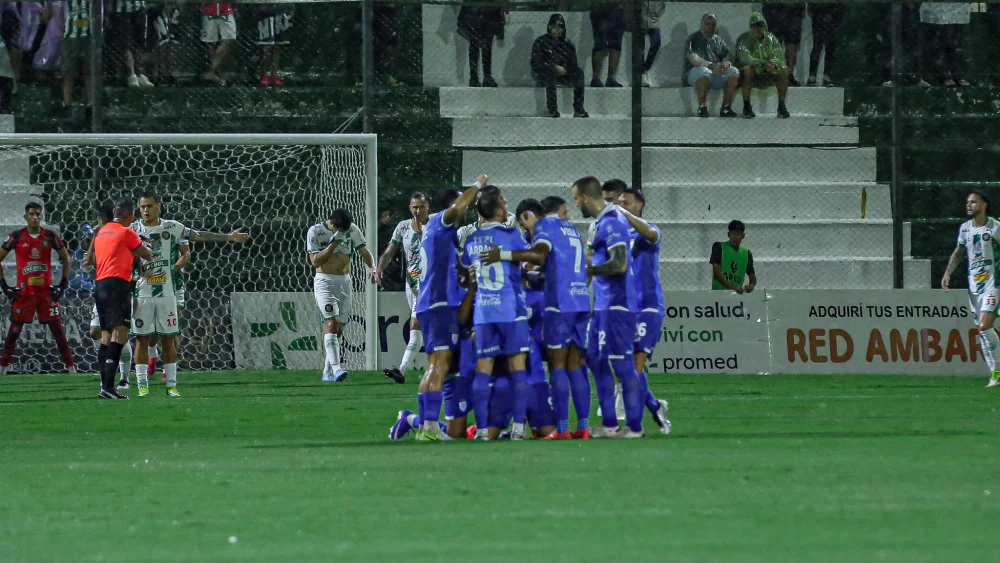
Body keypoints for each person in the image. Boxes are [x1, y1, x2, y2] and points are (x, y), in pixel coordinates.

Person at [486, 196, 592, 439]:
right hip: (581, 301)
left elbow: (539, 254)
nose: (526, 230)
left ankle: (562, 429)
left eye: (524, 224)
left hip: (559, 304)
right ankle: (583, 427)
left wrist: (502, 255)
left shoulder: (544, 227)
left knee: (556, 365)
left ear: (527, 216)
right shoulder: (571, 229)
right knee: (576, 365)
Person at [131, 192, 249, 397]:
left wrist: (228, 237)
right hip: (142, 293)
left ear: (159, 206)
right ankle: (142, 385)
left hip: (167, 293)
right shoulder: (133, 230)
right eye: (142, 207)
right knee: (142, 339)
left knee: (169, 339)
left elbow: (198, 235)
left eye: (149, 206)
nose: (145, 210)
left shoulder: (172, 227)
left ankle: (172, 385)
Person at [412, 175, 485, 441]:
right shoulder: (439, 223)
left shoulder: (443, 237)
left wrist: (463, 271)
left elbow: (447, 266)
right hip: (439, 305)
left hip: (431, 304)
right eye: (460, 204)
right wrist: (478, 185)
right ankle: (430, 427)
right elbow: (458, 206)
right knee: (440, 365)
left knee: (434, 364)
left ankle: (425, 426)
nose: (465, 209)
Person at [462, 186, 536, 441]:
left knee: (483, 369)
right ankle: (518, 428)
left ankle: (482, 430)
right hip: (511, 310)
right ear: (499, 210)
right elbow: (530, 260)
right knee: (518, 369)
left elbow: (465, 272)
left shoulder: (471, 240)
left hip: (484, 312)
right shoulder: (511, 235)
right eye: (503, 202)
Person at [572, 176, 644, 438]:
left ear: (585, 198)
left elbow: (619, 264)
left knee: (622, 365)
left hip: (618, 304)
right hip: (602, 305)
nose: (576, 204)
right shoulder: (598, 224)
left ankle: (634, 427)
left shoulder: (613, 221)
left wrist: (589, 269)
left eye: (576, 198)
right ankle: (610, 424)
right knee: (595, 359)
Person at [617, 188, 671, 434]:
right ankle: (654, 406)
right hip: (625, 307)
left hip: (648, 305)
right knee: (625, 368)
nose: (622, 207)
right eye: (620, 203)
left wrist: (624, 215)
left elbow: (649, 234)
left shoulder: (650, 230)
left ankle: (634, 426)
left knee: (636, 366)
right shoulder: (617, 235)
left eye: (626, 203)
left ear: (640, 205)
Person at [0, 202, 76, 374]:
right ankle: (2, 371)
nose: (35, 217)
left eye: (38, 214)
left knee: (58, 331)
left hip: (45, 293)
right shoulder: (16, 236)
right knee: (13, 333)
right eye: (31, 214)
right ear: (25, 216)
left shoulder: (50, 236)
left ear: (42, 216)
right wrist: (4, 286)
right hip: (24, 293)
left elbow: (67, 259)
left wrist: (63, 284)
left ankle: (72, 370)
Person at [306, 207, 376, 383]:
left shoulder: (351, 229)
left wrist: (372, 267)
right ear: (331, 223)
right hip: (324, 282)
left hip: (345, 282)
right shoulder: (315, 231)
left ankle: (327, 371)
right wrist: (334, 243)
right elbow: (315, 262)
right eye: (340, 229)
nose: (344, 231)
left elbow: (364, 250)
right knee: (331, 322)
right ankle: (337, 369)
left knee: (339, 329)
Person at [92, 202, 152, 398]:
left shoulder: (102, 232)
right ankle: (109, 387)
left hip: (100, 285)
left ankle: (104, 386)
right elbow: (147, 254)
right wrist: (144, 247)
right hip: (118, 285)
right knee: (121, 334)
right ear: (131, 216)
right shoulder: (126, 232)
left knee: (106, 335)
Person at [941, 192, 1000, 387]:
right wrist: (947, 273)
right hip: (974, 286)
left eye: (973, 202)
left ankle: (998, 372)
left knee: (984, 327)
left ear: (984, 205)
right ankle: (995, 373)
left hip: (994, 284)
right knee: (982, 332)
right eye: (967, 202)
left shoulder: (995, 227)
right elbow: (958, 252)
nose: (969, 205)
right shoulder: (965, 228)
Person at [377, 192, 429, 384]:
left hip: (429, 284)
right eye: (415, 207)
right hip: (411, 284)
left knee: (416, 324)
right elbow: (390, 251)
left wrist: (421, 232)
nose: (418, 211)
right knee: (420, 327)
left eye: (421, 207)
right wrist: (379, 268)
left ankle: (402, 370)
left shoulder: (435, 225)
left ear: (428, 208)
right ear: (410, 208)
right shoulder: (402, 227)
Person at [86, 201, 136, 389]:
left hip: (115, 286)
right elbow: (91, 260)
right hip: (106, 287)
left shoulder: (122, 233)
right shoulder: (103, 236)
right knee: (102, 332)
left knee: (117, 332)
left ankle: (122, 378)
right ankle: (106, 381)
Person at [530, 13, 588, 119]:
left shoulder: (568, 44)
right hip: (543, 75)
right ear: (549, 27)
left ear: (563, 29)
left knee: (579, 73)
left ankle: (578, 109)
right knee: (551, 73)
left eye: (559, 28)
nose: (556, 31)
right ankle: (552, 108)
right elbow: (535, 63)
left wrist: (566, 70)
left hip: (562, 75)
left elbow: (573, 64)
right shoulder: (540, 41)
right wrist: (554, 66)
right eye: (554, 27)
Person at [735, 12, 790, 119]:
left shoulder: (771, 38)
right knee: (747, 69)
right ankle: (746, 106)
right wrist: (762, 63)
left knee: (783, 69)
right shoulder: (743, 39)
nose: (757, 28)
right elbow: (745, 58)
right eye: (754, 25)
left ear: (765, 27)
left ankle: (782, 106)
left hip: (767, 73)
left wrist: (773, 64)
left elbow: (779, 56)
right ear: (750, 27)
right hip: (749, 75)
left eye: (760, 25)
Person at [683, 13, 739, 118]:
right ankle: (702, 107)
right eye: (707, 24)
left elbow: (728, 55)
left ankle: (726, 108)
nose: (710, 27)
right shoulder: (692, 39)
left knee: (734, 71)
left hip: (715, 73)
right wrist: (711, 65)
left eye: (713, 25)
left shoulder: (718, 40)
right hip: (696, 73)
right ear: (702, 24)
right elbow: (693, 58)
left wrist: (726, 64)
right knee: (702, 71)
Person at [920, 2, 970, 87]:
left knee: (955, 42)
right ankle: (947, 75)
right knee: (944, 41)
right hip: (940, 9)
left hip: (958, 7)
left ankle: (957, 76)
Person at [457, 1, 504, 87]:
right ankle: (485, 77)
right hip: (485, 13)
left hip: (475, 13)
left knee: (475, 45)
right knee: (485, 46)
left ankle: (475, 77)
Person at [60, 0, 92, 117]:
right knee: (68, 73)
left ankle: (91, 105)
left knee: (89, 71)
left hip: (89, 35)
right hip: (70, 36)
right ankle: (67, 104)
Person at [110, 0, 153, 87]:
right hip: (123, 11)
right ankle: (131, 75)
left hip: (140, 9)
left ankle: (141, 74)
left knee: (140, 43)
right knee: (126, 43)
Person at [760, 2, 803, 87]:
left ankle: (788, 75)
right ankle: (774, 75)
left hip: (794, 9)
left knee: (792, 43)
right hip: (774, 8)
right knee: (773, 42)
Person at [710, 220, 756, 293]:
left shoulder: (747, 253)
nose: (735, 237)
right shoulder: (719, 247)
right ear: (728, 234)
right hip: (719, 294)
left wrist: (751, 285)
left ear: (743, 236)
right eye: (733, 233)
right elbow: (716, 273)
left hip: (736, 295)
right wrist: (732, 288)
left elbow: (752, 276)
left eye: (738, 234)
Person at [254, 3, 293, 87]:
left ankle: (274, 75)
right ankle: (265, 75)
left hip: (279, 22)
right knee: (266, 48)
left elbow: (290, 6)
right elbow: (261, 9)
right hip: (265, 22)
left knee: (277, 48)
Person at [806, 3, 844, 87]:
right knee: (820, 48)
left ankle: (822, 75)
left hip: (829, 17)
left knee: (828, 48)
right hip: (821, 16)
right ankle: (816, 75)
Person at [201, 2, 235, 85]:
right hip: (209, 11)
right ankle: (218, 75)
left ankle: (211, 71)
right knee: (211, 43)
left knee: (227, 41)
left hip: (226, 11)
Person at [589, 4, 624, 87]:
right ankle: (596, 78)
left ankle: (610, 78)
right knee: (600, 43)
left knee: (615, 44)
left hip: (616, 8)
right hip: (600, 7)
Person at [151, 3, 180, 85]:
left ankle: (168, 74)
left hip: (170, 17)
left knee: (170, 45)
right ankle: (161, 74)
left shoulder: (174, 12)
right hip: (159, 14)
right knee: (162, 44)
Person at [637, 1, 665, 87]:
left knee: (656, 42)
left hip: (653, 21)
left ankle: (645, 69)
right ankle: (640, 76)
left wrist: (655, 14)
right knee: (639, 48)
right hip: (639, 21)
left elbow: (663, 6)